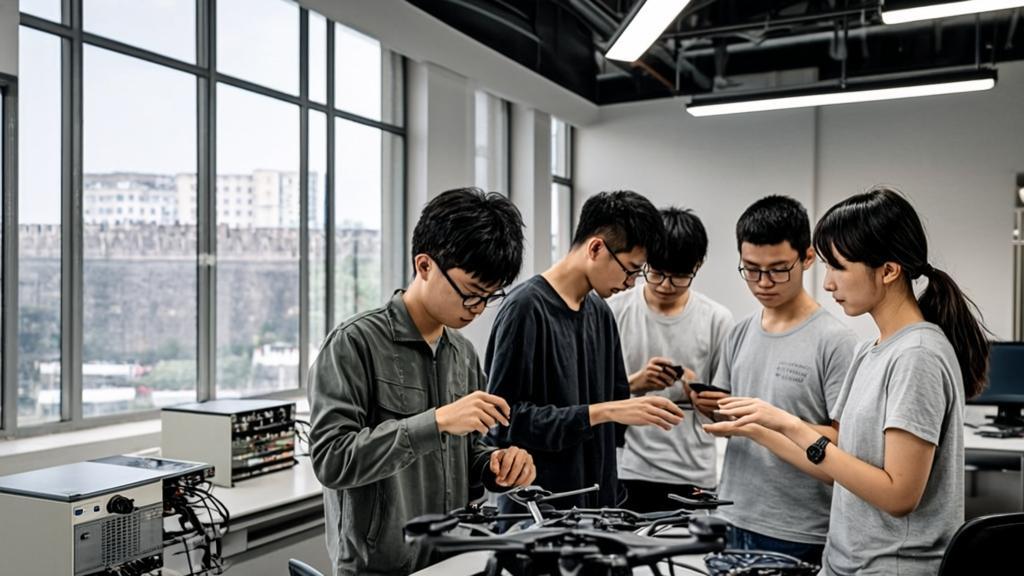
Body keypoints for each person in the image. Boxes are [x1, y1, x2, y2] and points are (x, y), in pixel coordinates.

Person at [706, 187, 990, 575]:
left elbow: (898, 494)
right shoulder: (872, 349)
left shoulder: (917, 355)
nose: (827, 283)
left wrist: (791, 424)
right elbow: (839, 459)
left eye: (838, 266)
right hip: (845, 563)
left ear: (888, 271)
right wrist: (762, 426)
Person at [308, 187, 538, 576]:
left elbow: (466, 455)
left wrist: (495, 466)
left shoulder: (463, 353)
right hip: (377, 567)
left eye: (488, 297)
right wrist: (435, 422)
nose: (477, 309)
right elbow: (332, 460)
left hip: (452, 559)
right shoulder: (354, 343)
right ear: (425, 265)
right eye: (470, 293)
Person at [486, 190, 685, 510]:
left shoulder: (601, 313)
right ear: (596, 248)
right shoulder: (524, 309)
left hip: (598, 511)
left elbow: (614, 409)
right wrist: (600, 412)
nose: (632, 283)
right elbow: (504, 423)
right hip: (537, 516)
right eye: (631, 269)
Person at [691, 195, 856, 565]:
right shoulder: (739, 333)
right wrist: (715, 410)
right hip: (730, 518)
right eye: (751, 269)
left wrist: (773, 422)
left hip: (798, 533)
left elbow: (846, 447)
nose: (763, 282)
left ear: (808, 258)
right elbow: (732, 423)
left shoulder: (836, 342)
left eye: (779, 269)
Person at [608, 207, 733, 512]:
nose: (665, 285)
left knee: (688, 560)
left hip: (692, 469)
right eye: (656, 273)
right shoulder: (613, 309)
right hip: (628, 467)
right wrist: (636, 382)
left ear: (697, 266)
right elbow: (591, 398)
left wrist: (698, 391)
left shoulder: (717, 319)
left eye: (678, 277)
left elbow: (726, 413)